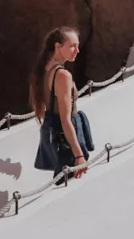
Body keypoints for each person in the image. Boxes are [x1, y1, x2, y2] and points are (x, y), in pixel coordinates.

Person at [30, 26, 92, 181]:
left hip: (54, 134)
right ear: (58, 47)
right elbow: (65, 119)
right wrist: (79, 155)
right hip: (65, 139)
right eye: (72, 46)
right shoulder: (62, 75)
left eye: (78, 46)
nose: (77, 50)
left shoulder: (45, 69)